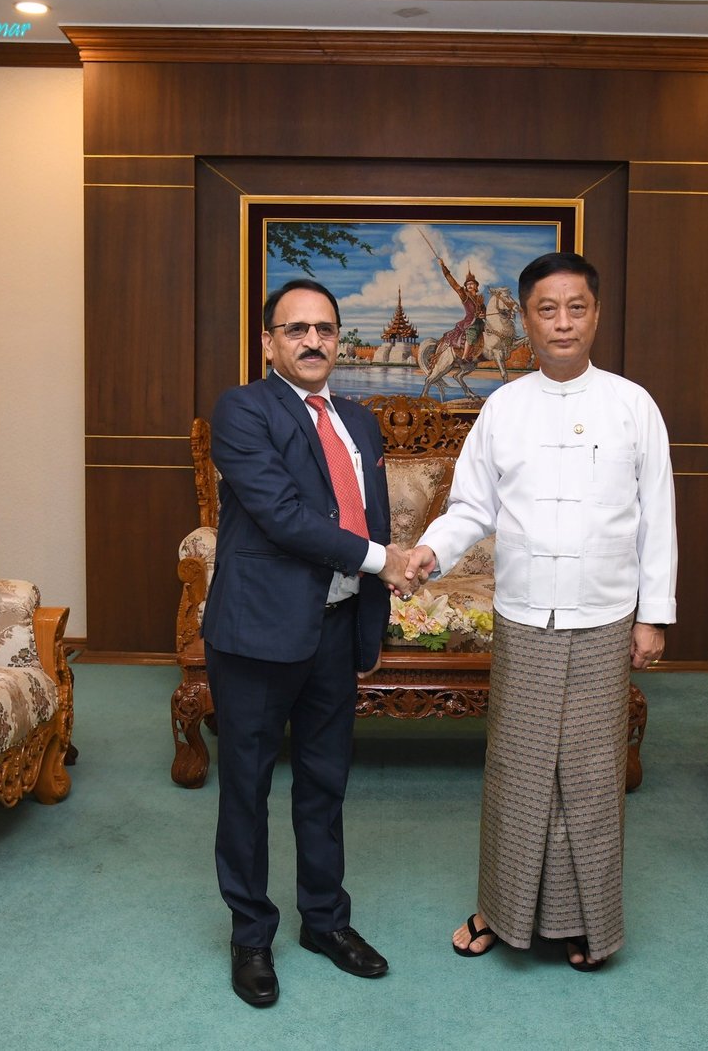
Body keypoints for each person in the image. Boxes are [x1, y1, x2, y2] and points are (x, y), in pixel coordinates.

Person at [404, 251, 677, 972]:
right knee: (519, 771)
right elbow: (469, 506)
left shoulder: (632, 405)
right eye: (546, 310)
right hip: (526, 617)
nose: (562, 322)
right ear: (524, 319)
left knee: (589, 777)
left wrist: (654, 616)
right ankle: (501, 910)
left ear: (596, 313)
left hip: (604, 617)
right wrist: (430, 553)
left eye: (576, 307)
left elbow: (659, 520)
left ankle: (589, 922)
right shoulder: (503, 407)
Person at [204, 278, 414, 1007]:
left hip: (335, 625)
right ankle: (251, 935)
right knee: (249, 788)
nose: (314, 341)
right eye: (296, 329)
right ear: (269, 343)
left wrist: (381, 588)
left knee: (325, 783)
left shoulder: (359, 420)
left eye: (325, 328)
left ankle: (325, 921)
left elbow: (369, 515)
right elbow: (286, 515)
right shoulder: (241, 410)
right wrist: (387, 561)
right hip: (258, 633)